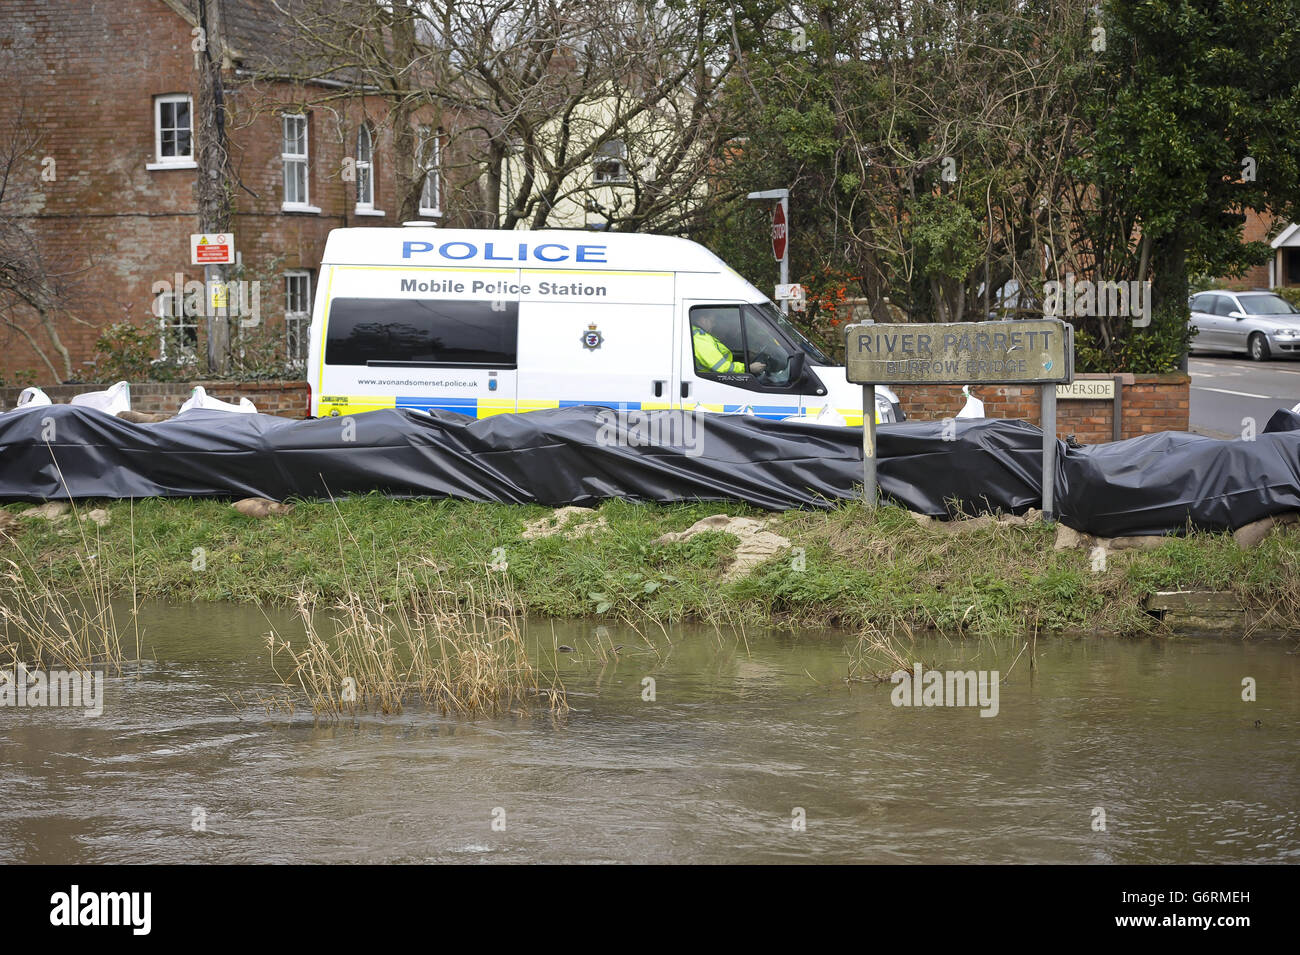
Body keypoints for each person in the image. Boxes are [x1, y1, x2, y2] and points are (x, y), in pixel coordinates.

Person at [692, 312, 766, 375]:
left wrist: (746, 353)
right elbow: (721, 367)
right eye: (712, 321)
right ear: (702, 320)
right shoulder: (700, 338)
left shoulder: (698, 335)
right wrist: (748, 368)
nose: (713, 325)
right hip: (710, 380)